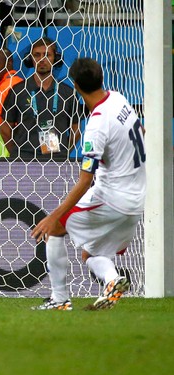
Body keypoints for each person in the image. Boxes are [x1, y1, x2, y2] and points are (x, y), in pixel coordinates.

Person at [31, 57, 145, 311]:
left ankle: (59, 300)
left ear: (75, 86)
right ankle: (113, 280)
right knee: (90, 254)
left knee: (55, 230)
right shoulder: (119, 99)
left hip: (111, 198)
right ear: (101, 77)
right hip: (136, 200)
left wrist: (54, 217)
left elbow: (85, 180)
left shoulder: (96, 125)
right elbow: (142, 132)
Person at [0, 37, 80, 160]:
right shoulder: (18, 91)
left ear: (55, 59)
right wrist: (18, 154)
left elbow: (76, 131)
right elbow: (5, 129)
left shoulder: (68, 93)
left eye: (47, 55)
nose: (42, 59)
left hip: (57, 161)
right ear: (30, 59)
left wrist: (62, 152)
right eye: (37, 55)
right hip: (24, 160)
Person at [0, 47, 23, 158]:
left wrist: (14, 155)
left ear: (9, 63)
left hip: (4, 159)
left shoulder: (7, 88)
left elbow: (11, 127)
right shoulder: (17, 83)